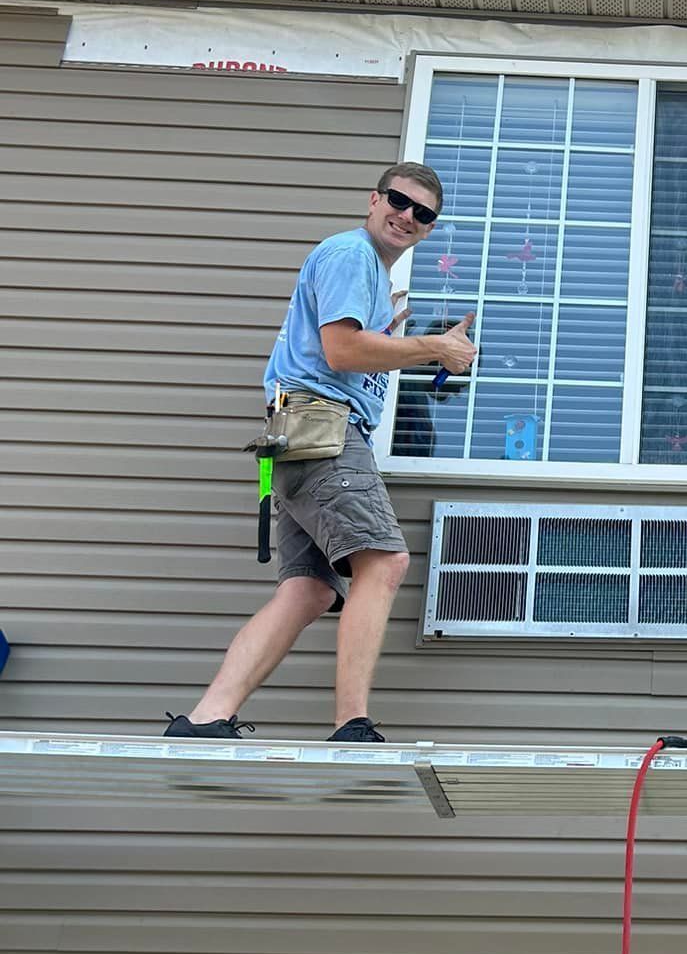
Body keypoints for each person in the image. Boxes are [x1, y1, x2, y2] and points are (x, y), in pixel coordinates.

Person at [164, 162, 475, 744]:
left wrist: (396, 338)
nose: (407, 216)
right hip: (323, 429)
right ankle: (351, 725)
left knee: (308, 590)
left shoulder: (370, 278)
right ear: (373, 199)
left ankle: (204, 718)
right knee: (384, 562)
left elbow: (353, 347)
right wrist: (433, 346)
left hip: (298, 437)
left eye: (423, 214)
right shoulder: (350, 254)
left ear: (430, 229)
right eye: (398, 202)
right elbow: (340, 350)